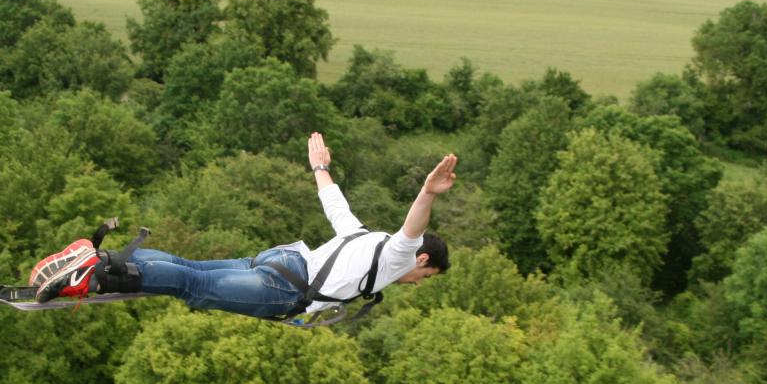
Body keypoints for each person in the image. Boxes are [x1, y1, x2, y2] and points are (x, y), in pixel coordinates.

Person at [30, 133, 455, 318]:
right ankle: (95, 274)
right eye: (425, 275)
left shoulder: (365, 237)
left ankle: (99, 259)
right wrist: (428, 192)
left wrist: (320, 167)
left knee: (190, 270)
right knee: (192, 286)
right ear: (421, 260)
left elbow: (335, 204)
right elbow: (413, 229)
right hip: (285, 287)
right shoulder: (397, 255)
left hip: (282, 261)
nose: (416, 282)